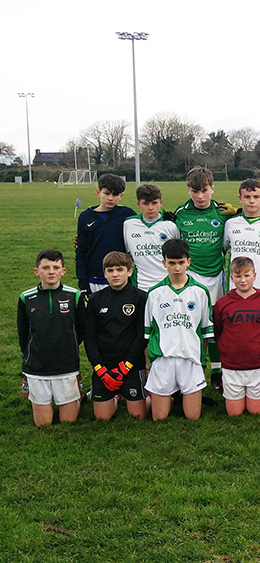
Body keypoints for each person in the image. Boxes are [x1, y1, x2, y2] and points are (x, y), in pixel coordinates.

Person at [173, 166, 238, 381]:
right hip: (191, 276)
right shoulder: (180, 214)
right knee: (193, 325)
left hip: (216, 275)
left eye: (205, 190)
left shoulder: (223, 214)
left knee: (215, 325)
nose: (200, 196)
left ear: (213, 189)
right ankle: (196, 367)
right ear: (188, 190)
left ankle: (217, 370)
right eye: (194, 191)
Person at [144, 239, 214, 421]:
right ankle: (161, 395)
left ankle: (181, 393)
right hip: (163, 359)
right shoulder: (154, 294)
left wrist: (200, 359)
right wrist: (149, 364)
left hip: (190, 360)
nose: (177, 268)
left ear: (188, 262)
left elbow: (205, 332)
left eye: (181, 263)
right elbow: (148, 333)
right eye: (172, 263)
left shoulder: (200, 292)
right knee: (158, 417)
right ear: (164, 263)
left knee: (193, 417)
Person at [17, 249, 86, 427]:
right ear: (36, 271)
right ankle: (42, 398)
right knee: (43, 424)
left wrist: (67, 346)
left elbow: (81, 329)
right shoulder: (26, 298)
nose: (51, 271)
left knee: (68, 421)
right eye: (45, 267)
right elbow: (23, 333)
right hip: (37, 367)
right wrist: (29, 355)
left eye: (56, 267)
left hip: (66, 365)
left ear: (63, 271)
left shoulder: (74, 295)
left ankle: (76, 396)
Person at [83, 252, 148, 421]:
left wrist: (126, 366)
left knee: (138, 416)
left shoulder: (141, 298)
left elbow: (142, 336)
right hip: (104, 366)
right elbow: (89, 337)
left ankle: (149, 395)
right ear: (104, 273)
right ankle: (115, 397)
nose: (115, 274)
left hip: (131, 366)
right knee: (102, 418)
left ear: (129, 271)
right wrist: (99, 368)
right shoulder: (95, 299)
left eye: (120, 269)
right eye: (110, 270)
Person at [213, 257, 260, 416]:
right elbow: (218, 330)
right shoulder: (223, 303)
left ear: (255, 275)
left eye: (247, 275)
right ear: (231, 278)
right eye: (238, 276)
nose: (243, 280)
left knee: (256, 411)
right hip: (232, 366)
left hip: (258, 364)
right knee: (234, 413)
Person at [75, 173, 135, 294]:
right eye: (107, 193)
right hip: (95, 278)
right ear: (98, 193)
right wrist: (82, 279)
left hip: (121, 278)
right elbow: (81, 251)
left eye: (115, 194)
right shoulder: (85, 217)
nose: (111, 198)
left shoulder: (128, 215)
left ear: (121, 196)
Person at [123, 183, 180, 291]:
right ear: (138, 204)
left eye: (154, 203)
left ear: (161, 203)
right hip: (140, 285)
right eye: (146, 203)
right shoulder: (129, 224)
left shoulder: (170, 225)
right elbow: (128, 252)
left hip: (167, 284)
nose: (150, 208)